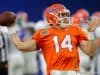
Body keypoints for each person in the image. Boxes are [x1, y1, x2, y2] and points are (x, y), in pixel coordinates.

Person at [11, 3, 100, 75]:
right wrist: (11, 31)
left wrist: (92, 34)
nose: (66, 18)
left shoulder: (75, 29)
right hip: (56, 72)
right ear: (52, 18)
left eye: (66, 15)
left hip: (73, 71)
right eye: (62, 15)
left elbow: (89, 51)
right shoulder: (44, 33)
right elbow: (21, 46)